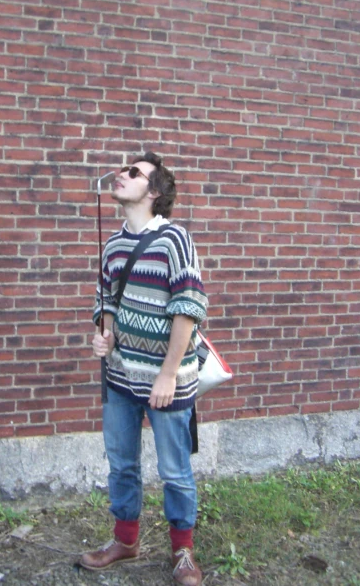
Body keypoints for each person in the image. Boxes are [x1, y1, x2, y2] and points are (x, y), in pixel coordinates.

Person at [79, 152, 208, 586]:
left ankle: (183, 552)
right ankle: (125, 540)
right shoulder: (113, 244)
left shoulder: (175, 240)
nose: (121, 174)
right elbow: (106, 300)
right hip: (119, 376)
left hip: (166, 380)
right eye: (122, 169)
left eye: (133, 172)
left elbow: (188, 308)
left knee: (174, 470)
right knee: (122, 464)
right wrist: (105, 333)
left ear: (154, 192)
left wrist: (168, 374)